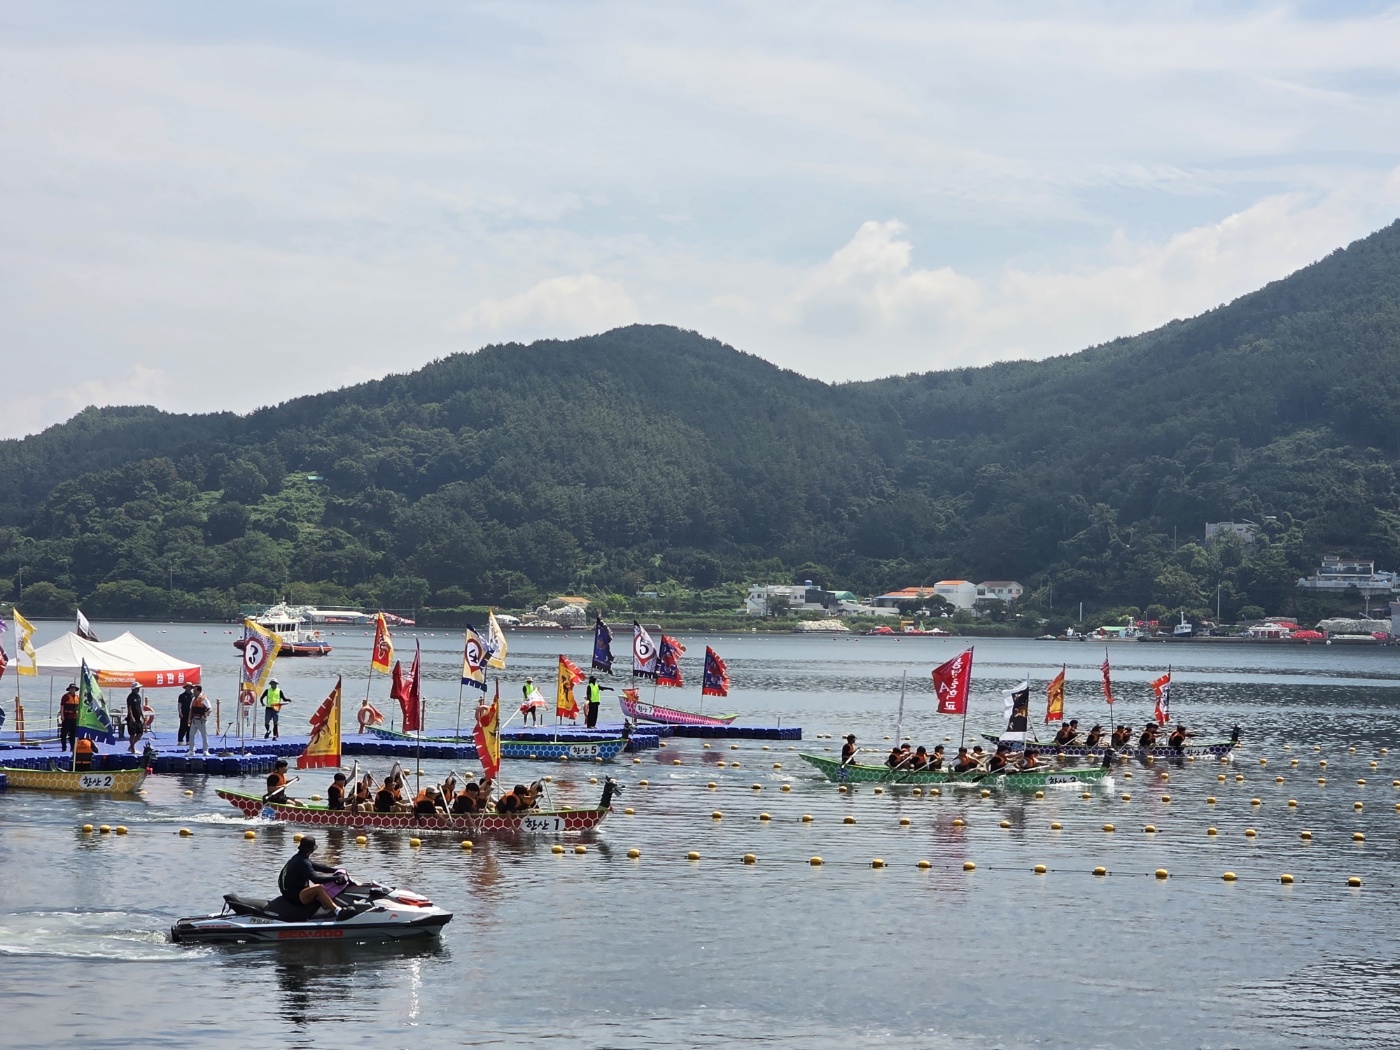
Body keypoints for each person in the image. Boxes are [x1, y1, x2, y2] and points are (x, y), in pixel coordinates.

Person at [277, 837, 351, 919]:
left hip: (290, 893)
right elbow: (316, 879)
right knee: (318, 888)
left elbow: (320, 868)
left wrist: (337, 870)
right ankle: (338, 911)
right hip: (295, 896)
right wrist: (335, 878)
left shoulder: (298, 858)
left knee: (319, 888)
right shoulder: (303, 862)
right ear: (311, 849)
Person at [187, 686, 211, 756]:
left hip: (201, 720)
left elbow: (209, 709)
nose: (193, 692)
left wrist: (205, 715)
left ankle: (205, 750)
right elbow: (191, 710)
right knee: (191, 735)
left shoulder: (204, 699)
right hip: (194, 720)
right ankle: (191, 750)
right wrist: (189, 719)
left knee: (204, 736)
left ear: (199, 691)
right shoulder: (193, 699)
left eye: (195, 691)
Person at [59, 683, 80, 752]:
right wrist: (62, 715)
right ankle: (64, 747)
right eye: (71, 689)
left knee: (73, 735)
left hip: (74, 718)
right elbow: (62, 706)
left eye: (73, 689)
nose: (72, 690)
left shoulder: (77, 697)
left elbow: (79, 708)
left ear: (75, 690)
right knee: (64, 734)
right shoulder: (65, 697)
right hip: (67, 718)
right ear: (69, 689)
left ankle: (72, 748)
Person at [125, 685, 145, 753]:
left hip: (138, 718)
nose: (138, 689)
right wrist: (131, 717)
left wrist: (142, 715)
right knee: (132, 734)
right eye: (137, 688)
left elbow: (139, 707)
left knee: (140, 733)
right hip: (132, 719)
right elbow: (129, 708)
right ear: (134, 689)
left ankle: (131, 746)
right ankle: (133, 749)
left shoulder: (138, 697)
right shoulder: (130, 697)